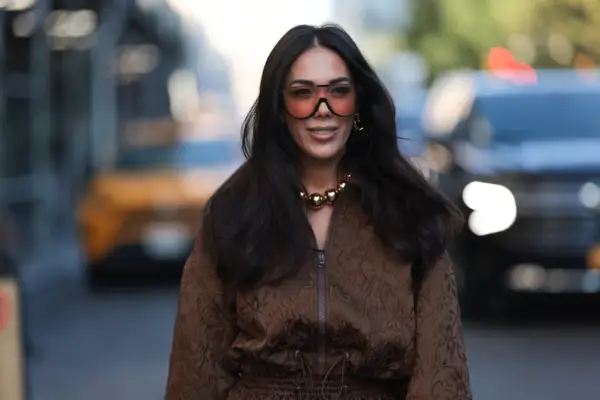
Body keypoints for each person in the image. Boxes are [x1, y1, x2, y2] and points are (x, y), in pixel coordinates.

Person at [166, 24, 472, 400]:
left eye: (338, 91)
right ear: (280, 109)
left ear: (358, 104)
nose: (322, 110)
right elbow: (196, 367)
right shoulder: (234, 213)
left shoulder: (411, 213)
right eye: (303, 93)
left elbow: (442, 373)